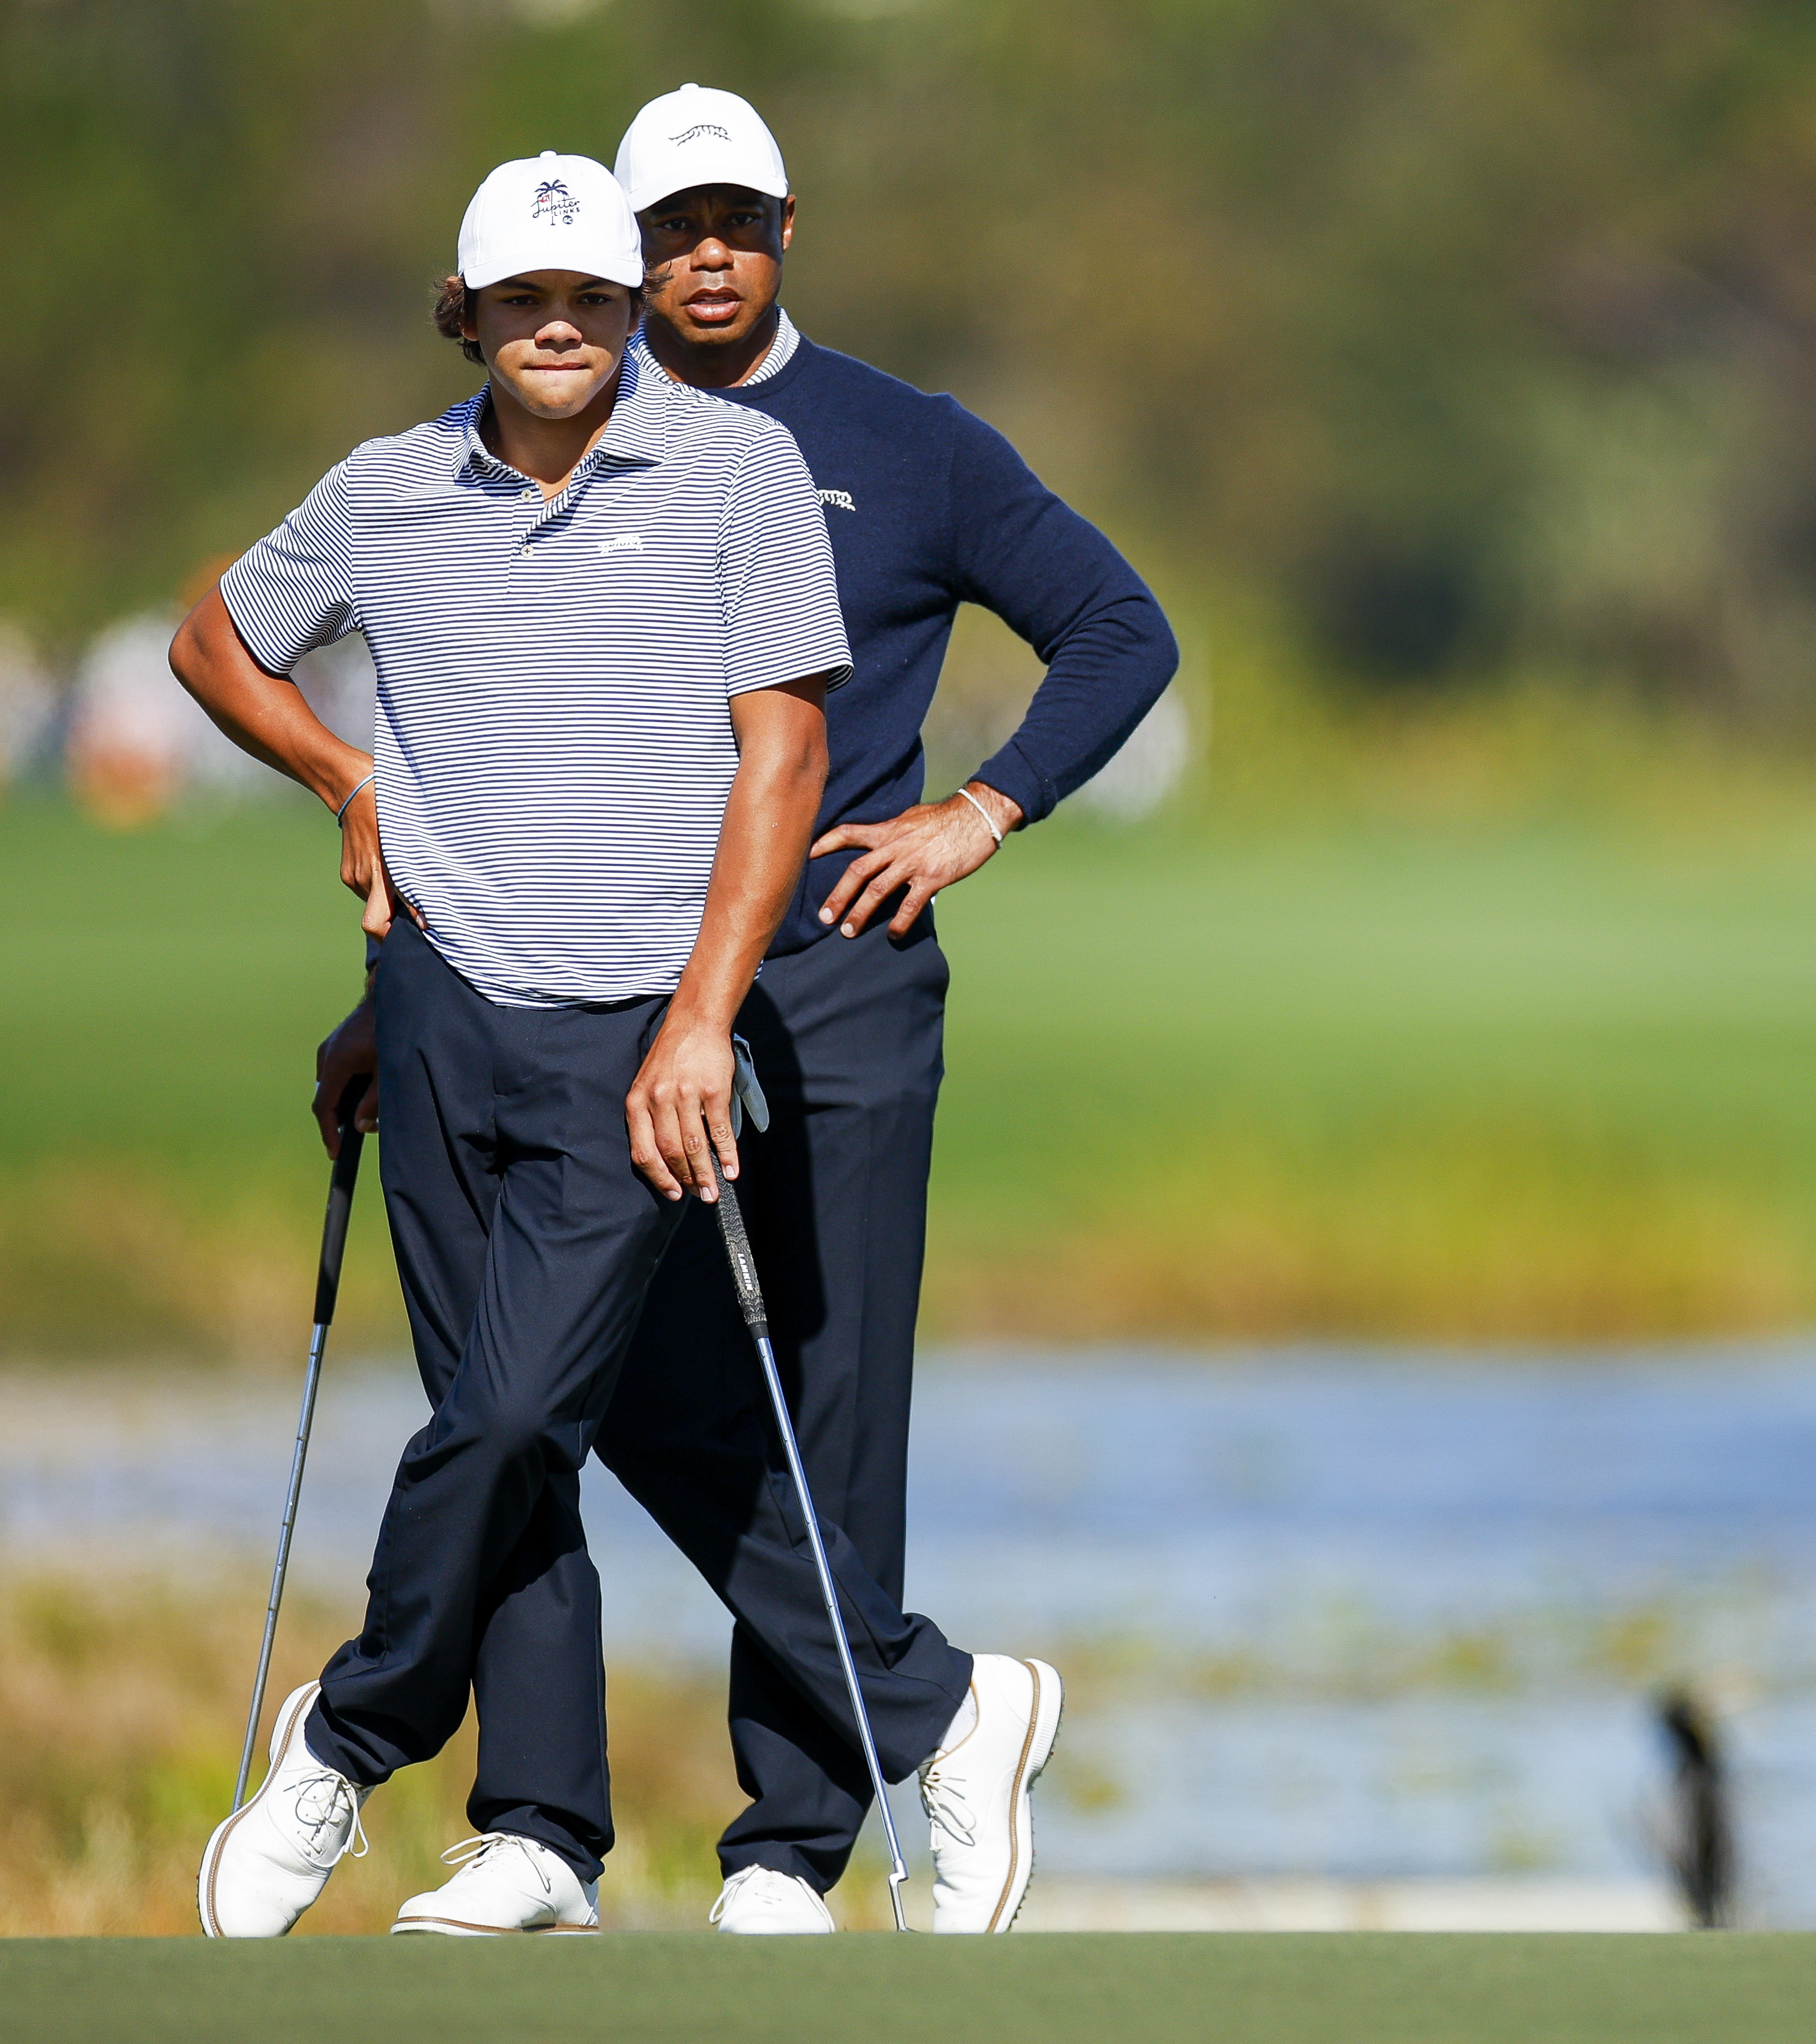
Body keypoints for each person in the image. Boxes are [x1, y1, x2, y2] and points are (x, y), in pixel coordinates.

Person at [312, 84, 1178, 1934]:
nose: (706, 256)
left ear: (789, 228)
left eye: (738, 222)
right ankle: (726, 1769)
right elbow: (479, 768)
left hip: (838, 987)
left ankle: (794, 1846)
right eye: (669, 230)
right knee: (581, 1375)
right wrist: (410, 997)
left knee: (830, 1404)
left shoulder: (909, 444)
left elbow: (1121, 628)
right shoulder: (549, 445)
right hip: (599, 995)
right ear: (612, 258)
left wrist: (979, 811)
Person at [175, 150, 1002, 1940]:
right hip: (433, 1012)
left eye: (594, 307)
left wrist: (705, 1019)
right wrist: (344, 780)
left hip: (632, 1024)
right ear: (463, 318)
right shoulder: (387, 492)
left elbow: (784, 760)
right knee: (519, 1421)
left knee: (523, 1403)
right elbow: (214, 638)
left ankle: (349, 1733)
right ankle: (553, 1826)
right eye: (528, 307)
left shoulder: (735, 471)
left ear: (630, 317)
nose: (565, 334)